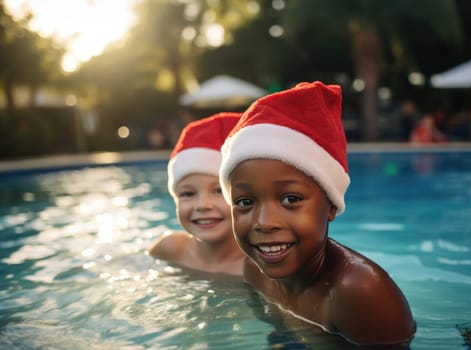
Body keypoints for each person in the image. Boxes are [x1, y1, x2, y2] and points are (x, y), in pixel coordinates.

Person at [219, 82, 417, 346]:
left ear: (331, 205)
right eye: (245, 201)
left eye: (291, 199)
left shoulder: (360, 292)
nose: (264, 222)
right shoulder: (254, 268)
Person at [148, 112, 246, 276]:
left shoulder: (258, 269)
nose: (203, 205)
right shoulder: (170, 249)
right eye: (187, 194)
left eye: (219, 190)